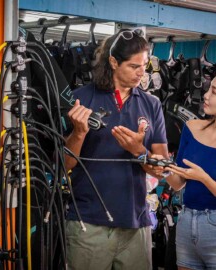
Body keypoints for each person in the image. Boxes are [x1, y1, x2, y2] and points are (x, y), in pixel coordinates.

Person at [64, 29, 169, 270]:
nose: (142, 72)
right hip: (88, 224)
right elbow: (63, 164)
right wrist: (79, 133)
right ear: (113, 62)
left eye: (144, 65)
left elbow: (163, 170)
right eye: (134, 66)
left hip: (137, 224)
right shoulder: (80, 99)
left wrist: (138, 150)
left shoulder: (151, 104)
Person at [156, 77, 216, 270]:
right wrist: (163, 167)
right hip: (186, 222)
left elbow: (198, 177)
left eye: (214, 92)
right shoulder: (191, 128)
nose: (205, 96)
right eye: (208, 89)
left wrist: (203, 178)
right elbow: (179, 182)